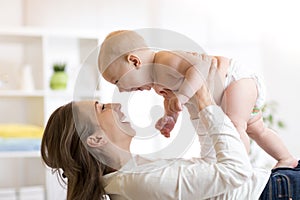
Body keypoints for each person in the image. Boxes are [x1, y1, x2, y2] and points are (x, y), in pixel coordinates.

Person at [41, 83, 300, 200]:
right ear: (96, 139)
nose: (115, 104)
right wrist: (204, 100)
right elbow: (236, 170)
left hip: (275, 185)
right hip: (276, 192)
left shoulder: (134, 173)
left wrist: (193, 108)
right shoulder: (136, 183)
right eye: (102, 107)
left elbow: (211, 165)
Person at [98, 30, 297, 168]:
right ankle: (286, 158)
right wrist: (170, 118)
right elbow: (173, 102)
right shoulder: (158, 84)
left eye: (117, 81)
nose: (121, 90)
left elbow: (199, 66)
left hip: (233, 80)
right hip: (224, 97)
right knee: (257, 129)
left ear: (134, 61)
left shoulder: (165, 60)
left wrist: (183, 95)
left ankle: (240, 170)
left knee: (236, 126)